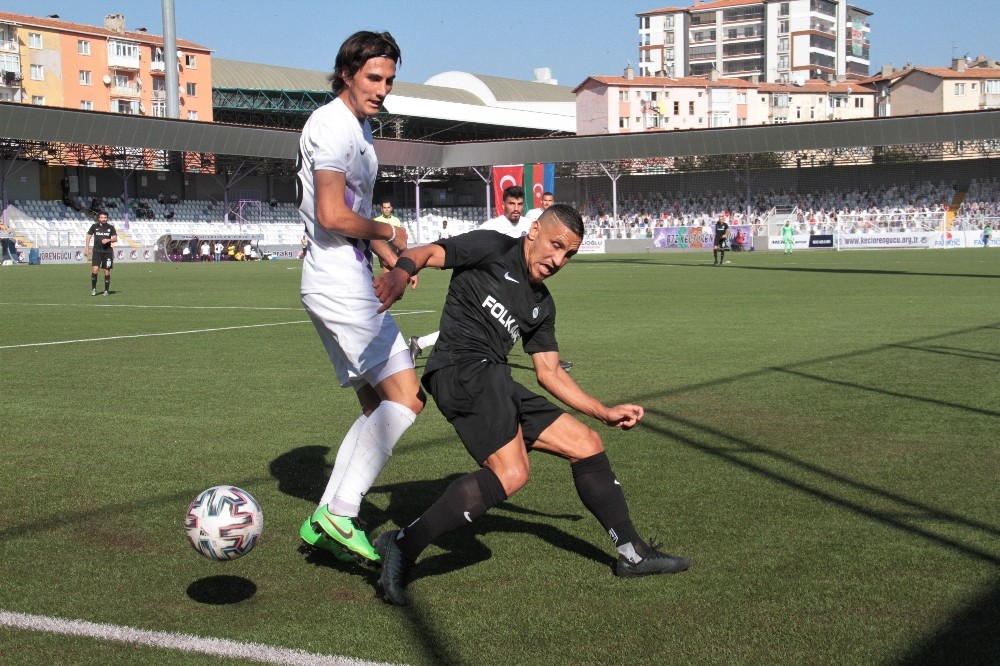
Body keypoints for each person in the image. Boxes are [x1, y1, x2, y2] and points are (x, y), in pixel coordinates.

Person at [371, 204, 690, 606]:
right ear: (534, 231)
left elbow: (550, 373)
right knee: (512, 473)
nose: (559, 260)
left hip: (495, 376)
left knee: (586, 442)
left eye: (569, 254)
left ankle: (632, 553)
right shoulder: (491, 246)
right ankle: (402, 544)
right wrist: (402, 270)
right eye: (556, 245)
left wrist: (604, 412)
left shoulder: (542, 305)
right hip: (458, 369)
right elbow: (429, 253)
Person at [295, 30, 425, 564]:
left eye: (390, 80)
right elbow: (331, 215)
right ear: (347, 73)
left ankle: (326, 515)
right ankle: (341, 512)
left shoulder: (359, 128)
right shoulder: (331, 125)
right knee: (408, 397)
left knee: (376, 405)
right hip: (337, 280)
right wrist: (390, 232)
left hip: (342, 274)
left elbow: (351, 212)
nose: (383, 89)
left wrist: (392, 259)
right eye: (374, 77)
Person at [409, 185, 572, 370]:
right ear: (503, 204)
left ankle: (551, 362)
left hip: (519, 286)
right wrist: (419, 263)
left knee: (525, 321)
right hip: (488, 285)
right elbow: (462, 248)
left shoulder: (530, 226)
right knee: (473, 328)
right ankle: (421, 343)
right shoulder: (491, 226)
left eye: (519, 204)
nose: (516, 208)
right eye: (511, 203)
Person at [85, 211, 117, 296]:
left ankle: (106, 290)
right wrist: (87, 248)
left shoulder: (111, 228)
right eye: (102, 217)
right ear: (99, 218)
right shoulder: (94, 226)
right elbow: (88, 236)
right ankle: (94, 289)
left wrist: (108, 240)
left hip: (108, 252)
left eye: (105, 217)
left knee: (106, 271)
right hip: (97, 252)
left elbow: (115, 238)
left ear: (107, 218)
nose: (103, 219)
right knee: (95, 269)